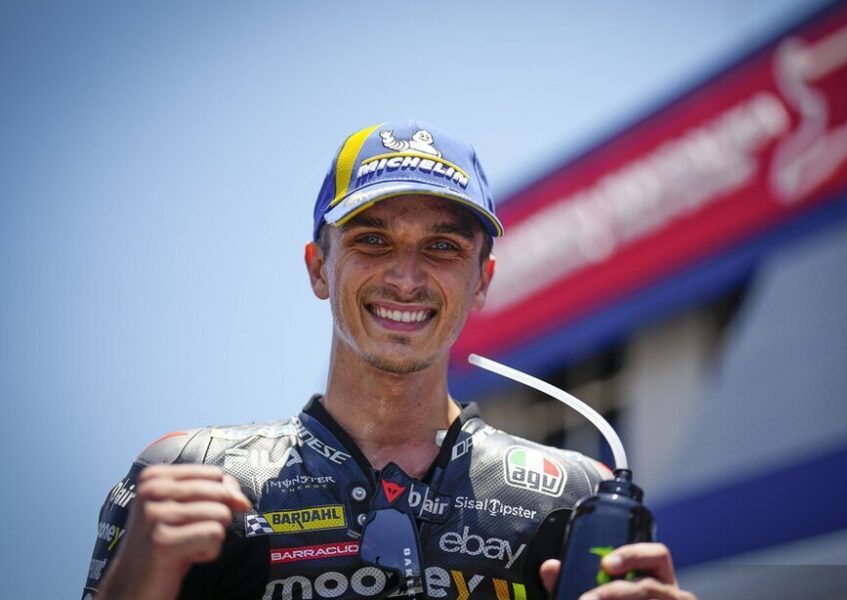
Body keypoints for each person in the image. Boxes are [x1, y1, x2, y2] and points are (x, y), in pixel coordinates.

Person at [83, 121, 697, 600]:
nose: (406, 278)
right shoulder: (190, 474)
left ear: (481, 282)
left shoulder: (579, 496)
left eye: (442, 246)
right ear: (319, 268)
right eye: (373, 240)